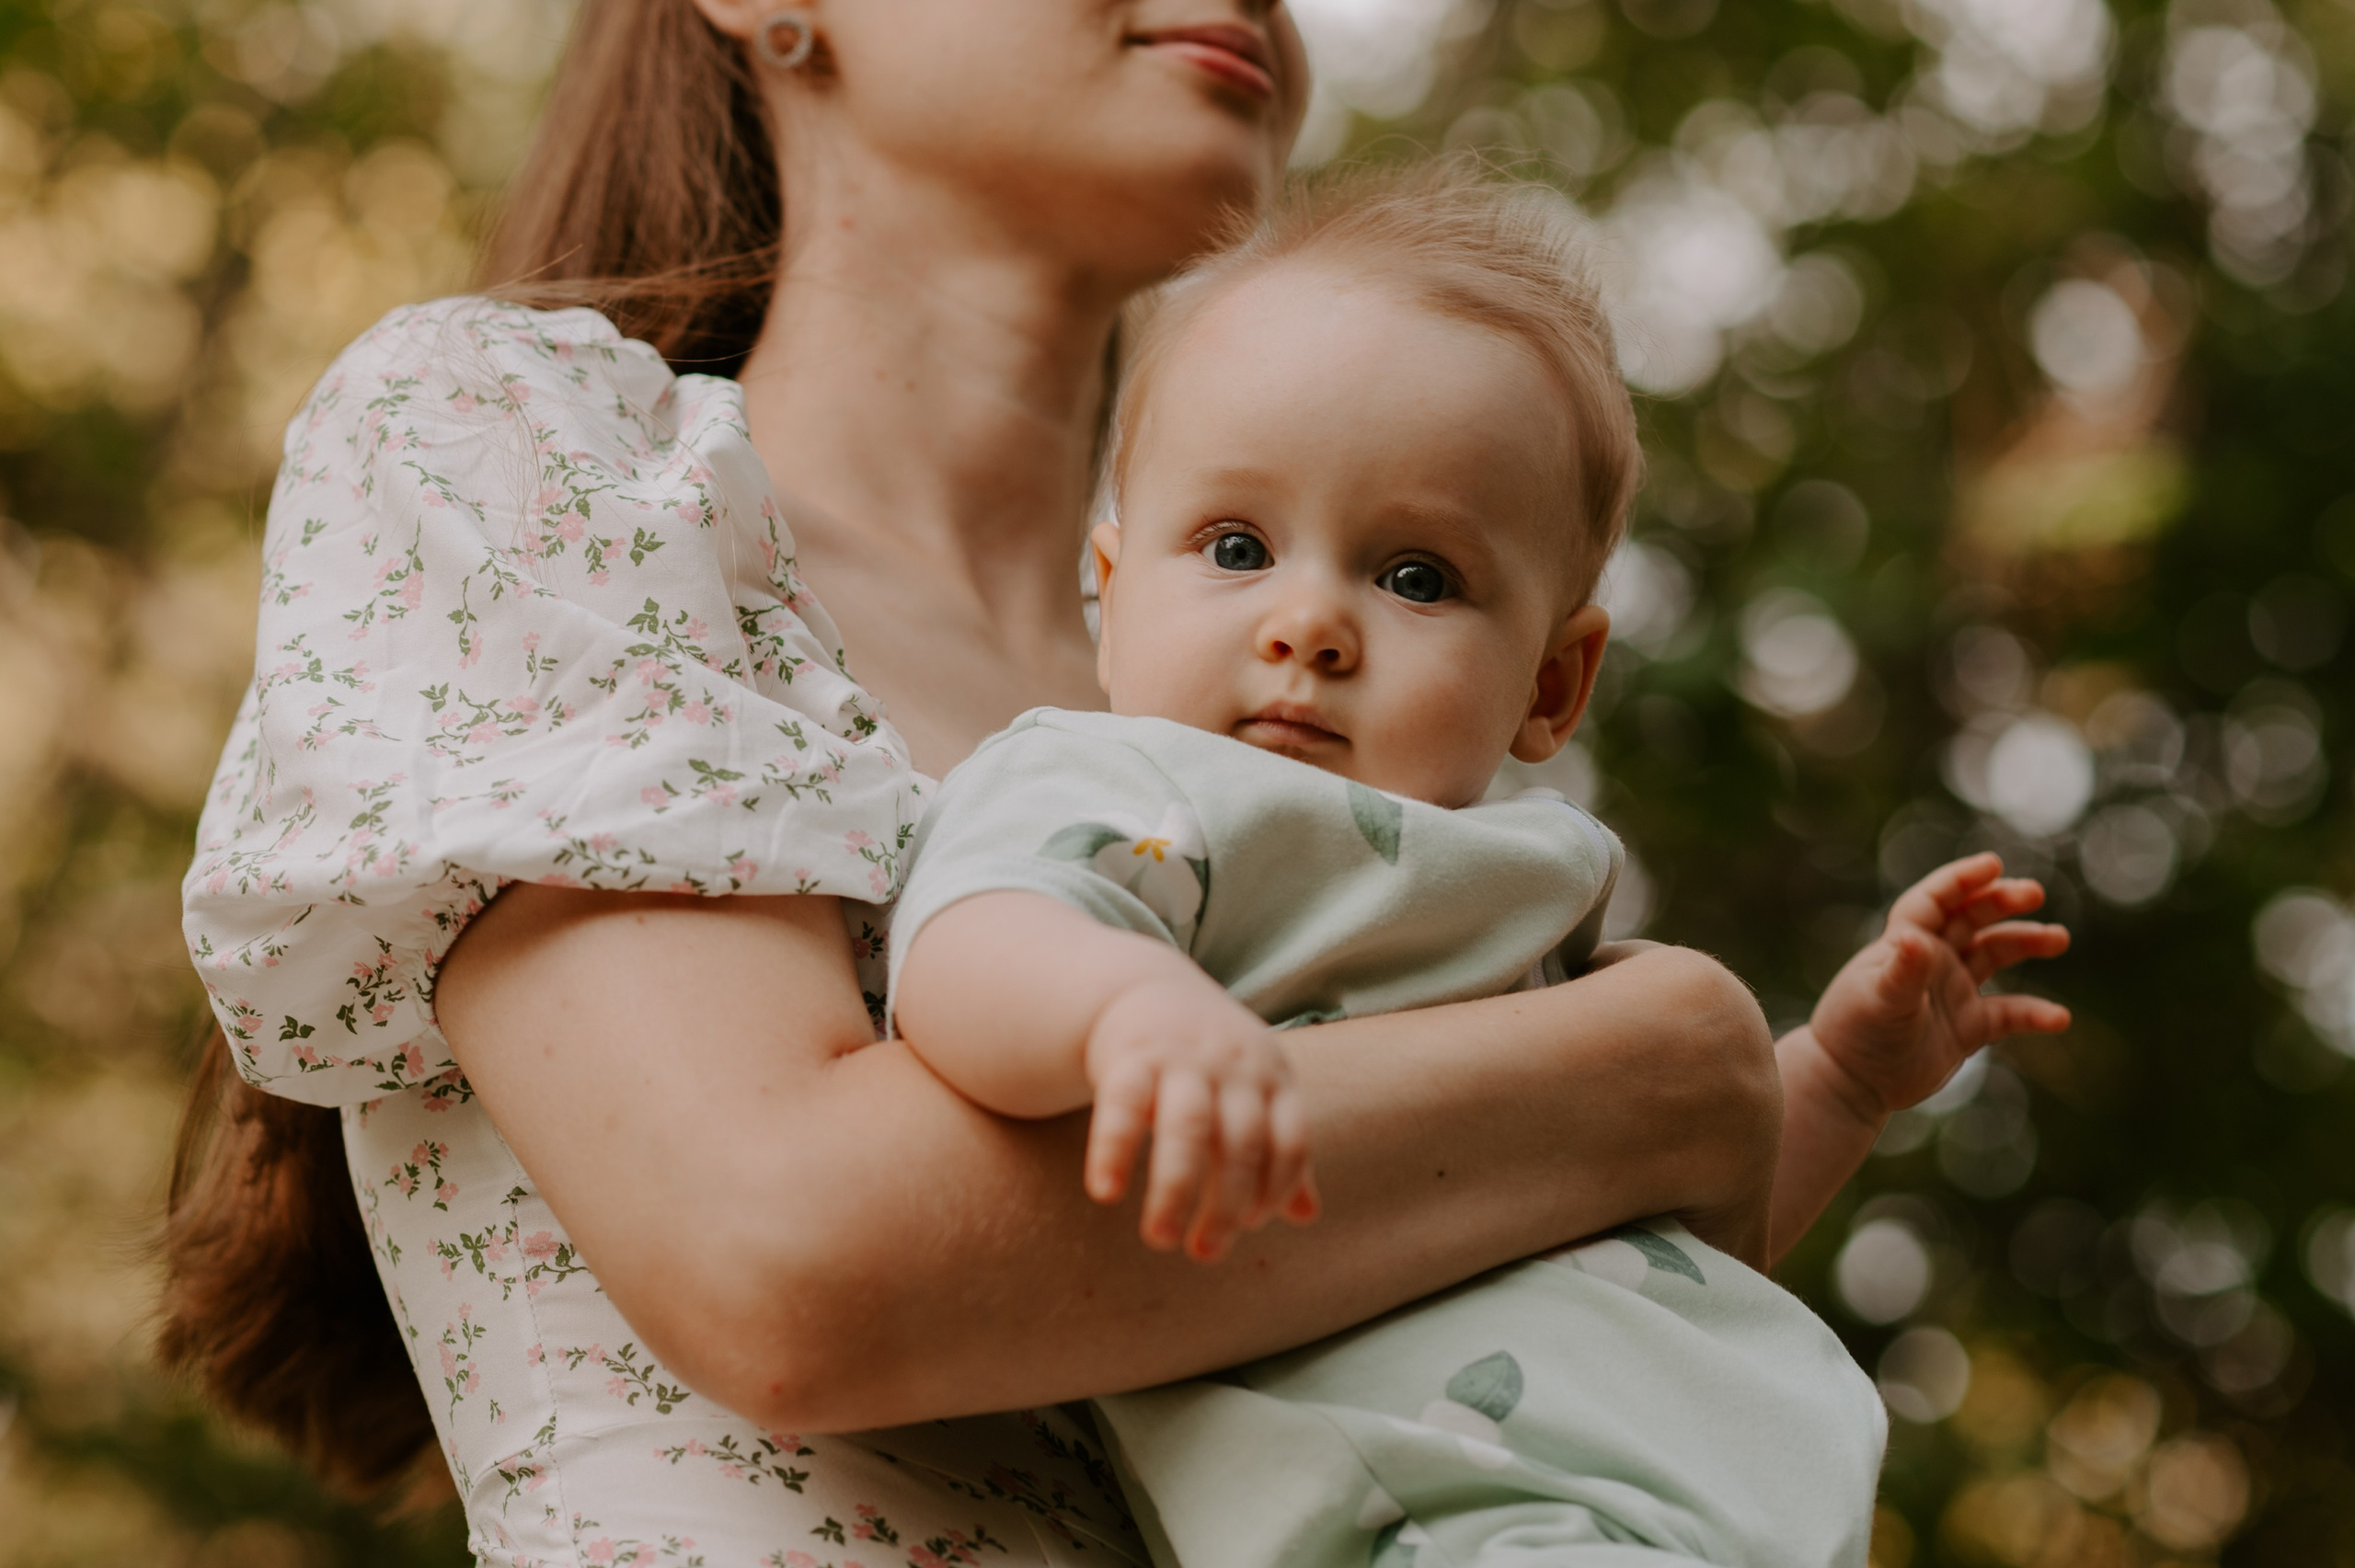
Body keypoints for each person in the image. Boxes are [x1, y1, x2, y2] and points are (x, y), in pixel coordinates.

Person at [163, 3, 1855, 1563]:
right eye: (1238, 542)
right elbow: (793, 1267)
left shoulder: (1297, 706)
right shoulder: (533, 458)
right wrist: (1645, 1068)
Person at [886, 166, 2070, 1568]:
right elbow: (969, 937)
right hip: (1442, 1518)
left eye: (1416, 578)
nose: (1310, 622)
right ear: (1111, 583)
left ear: (1554, 683)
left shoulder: (1510, 897)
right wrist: (1123, 1011)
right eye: (1237, 547)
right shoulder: (1132, 788)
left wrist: (1837, 1079)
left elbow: (1669, 1234)